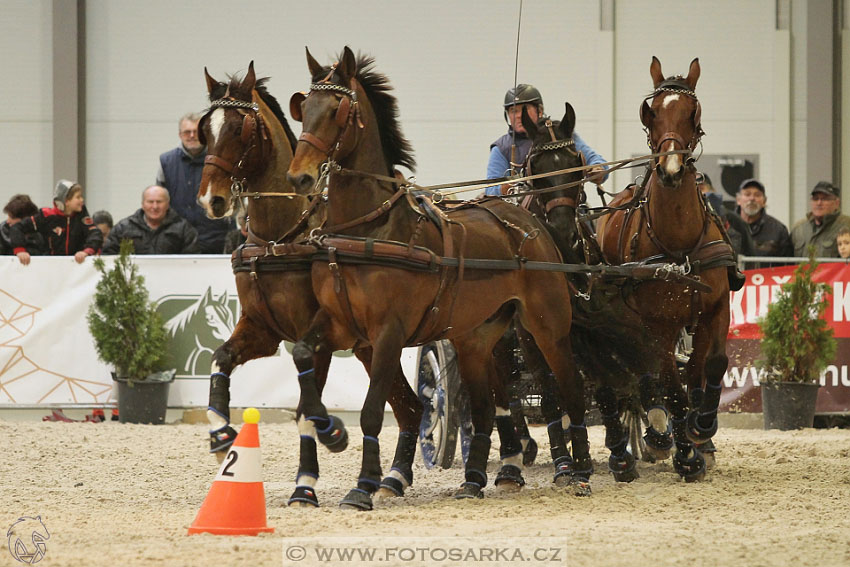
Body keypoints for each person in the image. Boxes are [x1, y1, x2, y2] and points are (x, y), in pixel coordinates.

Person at [485, 84, 607, 196]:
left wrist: (597, 170)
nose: (518, 115)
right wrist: (505, 188)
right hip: (520, 215)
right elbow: (490, 190)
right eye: (513, 111)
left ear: (540, 110)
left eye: (524, 109)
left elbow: (597, 161)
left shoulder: (561, 136)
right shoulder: (501, 148)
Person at [156, 111, 232, 254]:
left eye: (196, 132)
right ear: (180, 135)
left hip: (217, 238)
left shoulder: (220, 159)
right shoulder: (166, 162)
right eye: (187, 132)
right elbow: (160, 202)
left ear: (204, 133)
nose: (192, 136)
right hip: (177, 240)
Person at [10, 180, 102, 265]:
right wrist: (20, 250)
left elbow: (95, 233)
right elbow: (17, 228)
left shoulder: (82, 215)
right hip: (51, 267)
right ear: (66, 201)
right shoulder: (46, 215)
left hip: (76, 268)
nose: (82, 200)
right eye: (78, 197)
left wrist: (86, 251)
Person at [103, 185, 200, 255]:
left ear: (167, 204)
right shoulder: (123, 228)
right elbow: (108, 256)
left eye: (159, 202)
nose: (155, 206)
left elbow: (192, 260)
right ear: (143, 204)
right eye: (150, 202)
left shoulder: (183, 229)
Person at [735, 178, 793, 257]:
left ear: (764, 201)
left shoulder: (779, 230)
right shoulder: (725, 226)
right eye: (747, 194)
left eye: (757, 195)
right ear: (738, 200)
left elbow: (786, 265)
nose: (752, 198)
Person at [790, 181, 850, 257]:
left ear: (836, 203)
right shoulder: (798, 229)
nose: (819, 203)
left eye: (825, 199)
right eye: (815, 199)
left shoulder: (847, 225)